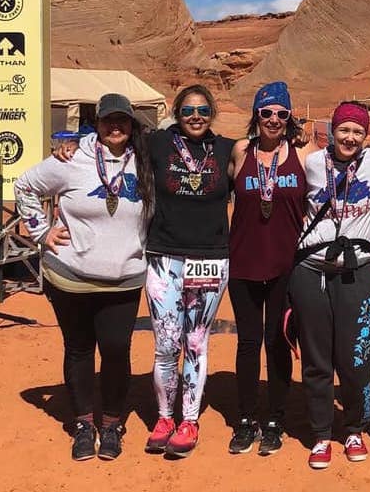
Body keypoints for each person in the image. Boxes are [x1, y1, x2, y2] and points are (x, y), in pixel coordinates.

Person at [14, 93, 153, 461]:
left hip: (124, 277)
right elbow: (24, 186)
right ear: (98, 123)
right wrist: (41, 231)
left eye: (123, 120)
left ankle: (111, 424)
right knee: (78, 349)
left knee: (115, 350)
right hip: (71, 275)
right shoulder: (73, 157)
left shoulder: (146, 158)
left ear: (132, 123)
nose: (116, 127)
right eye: (109, 120)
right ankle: (82, 424)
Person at [289, 101, 370, 470]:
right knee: (317, 360)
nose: (350, 137)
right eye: (344, 130)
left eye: (357, 131)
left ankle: (354, 428)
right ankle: (321, 434)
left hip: (358, 271)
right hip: (311, 271)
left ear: (366, 136)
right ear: (331, 132)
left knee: (357, 359)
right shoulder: (312, 163)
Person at [144, 84, 237, 459]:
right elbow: (108, 142)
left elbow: (276, 151)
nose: (195, 117)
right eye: (188, 111)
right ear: (176, 115)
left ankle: (189, 420)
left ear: (211, 113)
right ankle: (165, 417)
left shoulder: (229, 149)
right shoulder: (157, 144)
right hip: (164, 256)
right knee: (166, 343)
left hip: (210, 258)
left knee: (196, 341)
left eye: (202, 110)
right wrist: (71, 144)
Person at [227, 81, 318, 456]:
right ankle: (247, 419)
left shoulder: (305, 152)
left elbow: (348, 159)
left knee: (278, 340)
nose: (274, 120)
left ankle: (276, 420)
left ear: (290, 117)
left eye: (282, 113)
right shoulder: (239, 151)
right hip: (244, 263)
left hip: (286, 265)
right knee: (248, 343)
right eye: (267, 113)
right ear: (256, 115)